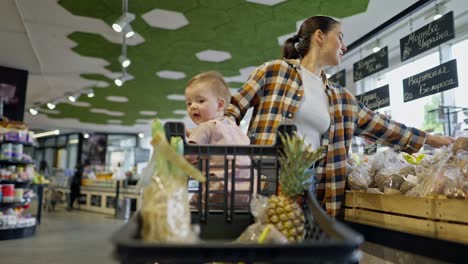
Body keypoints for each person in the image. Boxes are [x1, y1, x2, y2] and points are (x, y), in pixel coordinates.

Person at [225, 15, 454, 217]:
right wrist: (221, 142)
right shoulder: (274, 72)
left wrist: (431, 139)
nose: (344, 46)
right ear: (319, 37)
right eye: (340, 37)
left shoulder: (341, 99)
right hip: (264, 179)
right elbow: (234, 107)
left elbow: (383, 126)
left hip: (313, 187)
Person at [185, 71, 255, 208]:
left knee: (188, 208)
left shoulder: (205, 127)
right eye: (188, 103)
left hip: (216, 193)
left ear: (220, 105)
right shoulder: (232, 127)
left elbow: (189, 157)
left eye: (200, 101)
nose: (193, 106)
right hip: (246, 194)